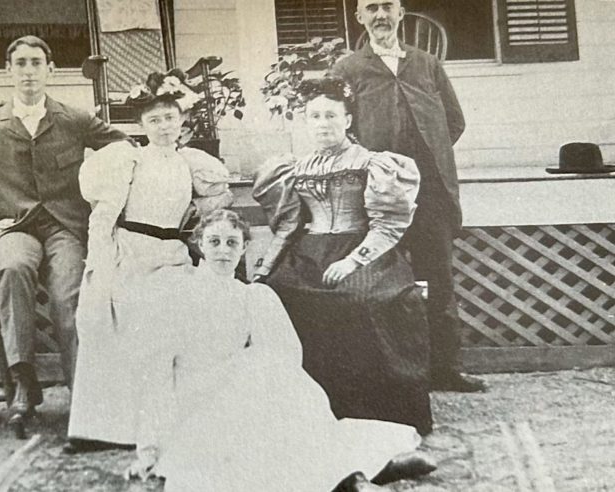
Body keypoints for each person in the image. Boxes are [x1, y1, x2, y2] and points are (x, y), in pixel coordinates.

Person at [125, 209, 435, 492]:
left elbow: (285, 359)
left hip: (238, 392)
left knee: (277, 392)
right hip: (195, 401)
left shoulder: (253, 296)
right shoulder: (178, 296)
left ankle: (361, 472)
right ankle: (357, 477)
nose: (223, 250)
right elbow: (156, 374)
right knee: (252, 401)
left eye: (232, 243)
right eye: (214, 241)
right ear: (200, 245)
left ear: (244, 248)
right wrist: (148, 449)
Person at [0, 36, 129, 425]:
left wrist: (100, 199)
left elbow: (122, 149)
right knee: (12, 268)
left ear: (50, 70)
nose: (28, 71)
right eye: (20, 63)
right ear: (9, 70)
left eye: (36, 63)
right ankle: (23, 380)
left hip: (65, 227)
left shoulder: (74, 118)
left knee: (67, 293)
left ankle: (84, 393)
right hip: (13, 227)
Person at [253, 76, 433, 435]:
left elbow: (388, 226)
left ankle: (369, 411)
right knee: (275, 296)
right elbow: (289, 227)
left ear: (348, 120)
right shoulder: (295, 169)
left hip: (364, 250)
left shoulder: (374, 163)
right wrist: (263, 270)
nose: (323, 124)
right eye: (315, 116)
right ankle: (302, 411)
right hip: (310, 251)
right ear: (305, 121)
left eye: (331, 116)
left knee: (359, 298)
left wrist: (353, 260)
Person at [66, 69, 234, 448]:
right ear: (141, 124)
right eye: (154, 120)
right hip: (130, 252)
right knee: (118, 318)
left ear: (182, 121)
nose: (163, 126)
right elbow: (104, 216)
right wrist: (100, 263)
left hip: (171, 254)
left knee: (181, 313)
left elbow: (212, 209)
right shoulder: (129, 160)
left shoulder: (191, 161)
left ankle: (176, 421)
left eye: (170, 118)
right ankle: (109, 428)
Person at [329, 0, 485, 392]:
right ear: (359, 17)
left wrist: (424, 157)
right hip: (377, 195)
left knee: (439, 280)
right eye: (371, 8)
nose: (380, 15)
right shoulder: (347, 69)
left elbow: (455, 121)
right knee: (380, 282)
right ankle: (393, 373)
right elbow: (336, 131)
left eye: (388, 6)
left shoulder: (427, 63)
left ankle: (445, 370)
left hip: (430, 193)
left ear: (400, 12)